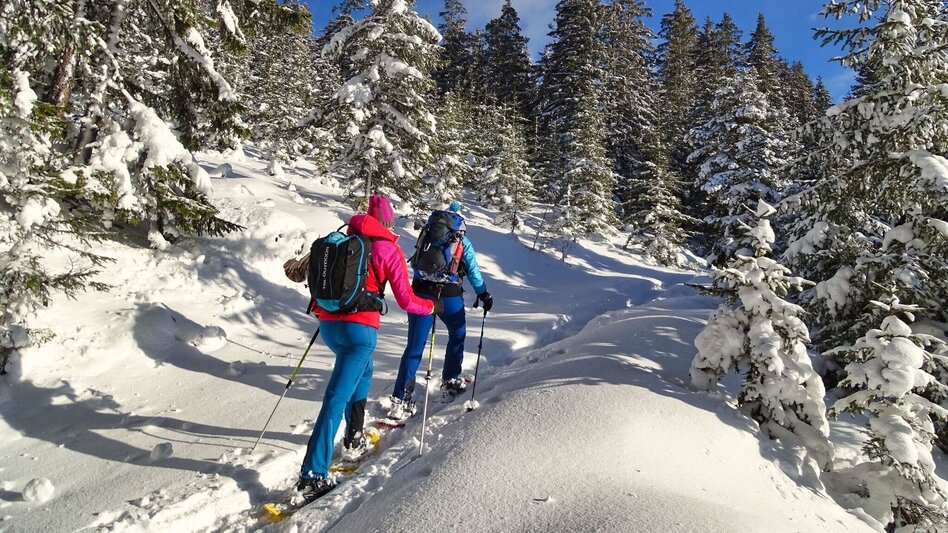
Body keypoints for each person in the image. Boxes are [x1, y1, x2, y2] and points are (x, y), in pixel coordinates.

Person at [290, 195, 436, 502]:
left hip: (329, 326)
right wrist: (430, 306)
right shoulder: (388, 249)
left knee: (364, 373)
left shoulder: (344, 240)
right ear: (387, 222)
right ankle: (312, 476)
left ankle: (354, 438)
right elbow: (407, 300)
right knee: (335, 398)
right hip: (360, 333)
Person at [387, 201, 493, 420]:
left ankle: (400, 398)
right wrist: (483, 293)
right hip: (449, 294)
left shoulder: (427, 233)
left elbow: (417, 263)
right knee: (457, 334)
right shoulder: (461, 240)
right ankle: (451, 380)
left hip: (420, 292)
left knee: (414, 345)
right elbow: (472, 270)